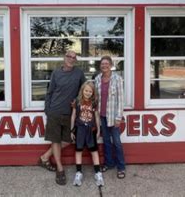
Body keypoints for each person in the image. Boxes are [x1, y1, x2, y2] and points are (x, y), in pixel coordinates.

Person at [38, 50, 86, 185]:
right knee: (55, 140)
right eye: (69, 56)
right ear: (64, 58)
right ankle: (60, 169)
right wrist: (47, 110)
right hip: (54, 111)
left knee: (67, 140)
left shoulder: (79, 73)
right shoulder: (56, 73)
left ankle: (44, 157)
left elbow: (86, 89)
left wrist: (77, 100)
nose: (71, 59)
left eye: (74, 57)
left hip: (70, 113)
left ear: (75, 60)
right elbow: (50, 92)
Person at [94, 55, 126, 179]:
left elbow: (121, 99)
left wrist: (119, 117)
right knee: (106, 141)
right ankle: (109, 163)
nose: (104, 66)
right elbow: (95, 97)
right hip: (102, 116)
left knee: (117, 142)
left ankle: (121, 167)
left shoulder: (117, 79)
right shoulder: (97, 79)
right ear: (100, 66)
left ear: (111, 65)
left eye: (107, 63)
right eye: (102, 64)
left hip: (113, 116)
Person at [70, 81, 104, 187]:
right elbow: (73, 115)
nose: (88, 93)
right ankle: (79, 172)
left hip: (91, 129)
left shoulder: (94, 102)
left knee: (94, 151)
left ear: (93, 93)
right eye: (86, 90)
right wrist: (71, 130)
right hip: (79, 129)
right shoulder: (78, 101)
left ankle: (98, 173)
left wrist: (98, 129)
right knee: (78, 150)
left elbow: (97, 116)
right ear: (82, 90)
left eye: (90, 91)